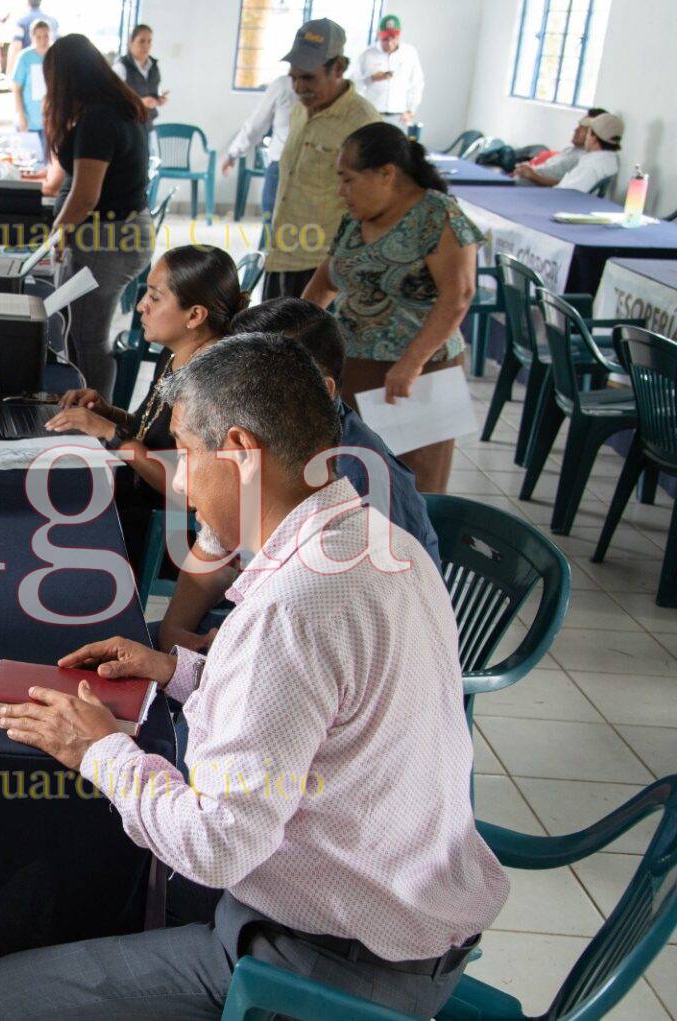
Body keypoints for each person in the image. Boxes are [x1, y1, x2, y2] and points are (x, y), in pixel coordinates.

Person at [0, 333, 506, 1021]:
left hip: (326, 962)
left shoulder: (294, 605)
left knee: (3, 996)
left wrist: (96, 749)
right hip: (410, 913)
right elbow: (328, 710)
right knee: (78, 888)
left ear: (243, 453)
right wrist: (179, 671)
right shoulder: (381, 542)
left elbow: (216, 847)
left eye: (189, 451)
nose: (183, 480)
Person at [157, 297, 442, 653]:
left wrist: (218, 658)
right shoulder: (247, 443)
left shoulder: (358, 478)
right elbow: (215, 546)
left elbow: (346, 626)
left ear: (320, 390)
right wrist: (173, 632)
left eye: (248, 379)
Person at [302, 122, 482, 493]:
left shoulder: (438, 216)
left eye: (349, 180)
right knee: (350, 478)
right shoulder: (356, 220)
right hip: (353, 366)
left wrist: (411, 363)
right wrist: (295, 340)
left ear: (387, 174)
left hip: (414, 377)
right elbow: (325, 281)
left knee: (409, 486)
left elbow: (458, 295)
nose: (342, 191)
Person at [46, 245, 245, 567]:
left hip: (172, 529)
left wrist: (111, 434)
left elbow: (190, 490)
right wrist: (106, 413)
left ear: (194, 315)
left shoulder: (211, 384)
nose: (140, 307)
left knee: (53, 522)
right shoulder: (175, 353)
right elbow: (150, 433)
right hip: (138, 496)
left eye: (154, 297)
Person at [43, 33, 154, 399]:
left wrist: (57, 233)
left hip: (109, 238)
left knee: (88, 336)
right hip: (119, 232)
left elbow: (85, 196)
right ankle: (84, 406)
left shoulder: (99, 119)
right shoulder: (119, 107)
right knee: (79, 329)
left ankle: (94, 421)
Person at [262, 19, 380, 300]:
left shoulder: (362, 123)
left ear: (338, 67)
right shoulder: (300, 111)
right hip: (281, 254)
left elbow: (373, 208)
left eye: (309, 78)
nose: (299, 87)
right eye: (294, 77)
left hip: (323, 269)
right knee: (270, 342)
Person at [220, 73, 296, 221]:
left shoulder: (283, 85)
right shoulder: (332, 90)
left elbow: (257, 124)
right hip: (291, 166)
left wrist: (233, 154)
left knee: (272, 227)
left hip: (282, 165)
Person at [355, 14, 424, 130]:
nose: (390, 43)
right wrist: (371, 78)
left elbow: (416, 83)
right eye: (385, 39)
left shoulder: (409, 53)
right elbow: (356, 84)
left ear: (399, 35)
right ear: (379, 35)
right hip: (373, 114)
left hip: (399, 116)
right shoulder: (367, 55)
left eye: (393, 38)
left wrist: (411, 110)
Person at [512, 107, 607, 186]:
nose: (576, 130)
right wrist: (528, 169)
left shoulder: (586, 159)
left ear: (594, 134)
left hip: (538, 188)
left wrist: (534, 176)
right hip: (527, 178)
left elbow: (570, 186)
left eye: (583, 128)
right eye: (578, 126)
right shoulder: (569, 150)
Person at [553, 111, 623, 193]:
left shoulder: (590, 168)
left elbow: (566, 195)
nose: (586, 137)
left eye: (588, 132)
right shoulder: (611, 159)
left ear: (594, 138)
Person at [112, 24, 166, 123]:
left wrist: (158, 99)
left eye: (149, 41)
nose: (146, 46)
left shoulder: (153, 66)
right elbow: (113, 98)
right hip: (127, 122)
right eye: (141, 41)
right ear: (130, 43)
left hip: (148, 122)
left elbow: (152, 90)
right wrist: (140, 102)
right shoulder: (121, 67)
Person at [11, 18, 52, 140]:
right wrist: (21, 115)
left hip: (50, 119)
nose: (42, 40)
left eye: (46, 36)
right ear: (32, 37)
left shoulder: (55, 55)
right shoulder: (25, 57)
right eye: (38, 37)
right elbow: (16, 88)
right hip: (29, 118)